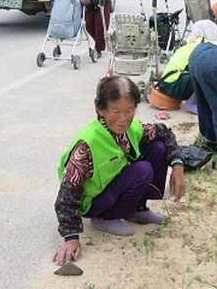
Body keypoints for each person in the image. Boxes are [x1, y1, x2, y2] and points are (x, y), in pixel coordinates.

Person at [53, 76, 186, 265]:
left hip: (113, 185)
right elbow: (67, 193)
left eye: (129, 110)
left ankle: (137, 210)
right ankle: (105, 217)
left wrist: (178, 166)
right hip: (93, 202)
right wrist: (71, 237)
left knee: (158, 148)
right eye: (116, 111)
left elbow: (165, 132)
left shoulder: (132, 128)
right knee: (142, 170)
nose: (123, 119)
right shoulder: (87, 145)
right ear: (101, 110)